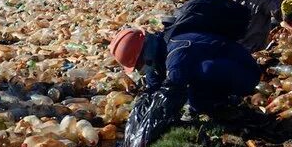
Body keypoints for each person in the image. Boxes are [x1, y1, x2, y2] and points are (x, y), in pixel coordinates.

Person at [108, 25, 261, 120]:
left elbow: (172, 90)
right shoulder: (159, 47)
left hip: (246, 73)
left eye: (138, 65)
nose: (139, 69)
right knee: (191, 86)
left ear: (144, 54)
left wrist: (165, 115)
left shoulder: (176, 54)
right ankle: (215, 101)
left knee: (200, 83)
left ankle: (220, 105)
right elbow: (154, 83)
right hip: (228, 68)